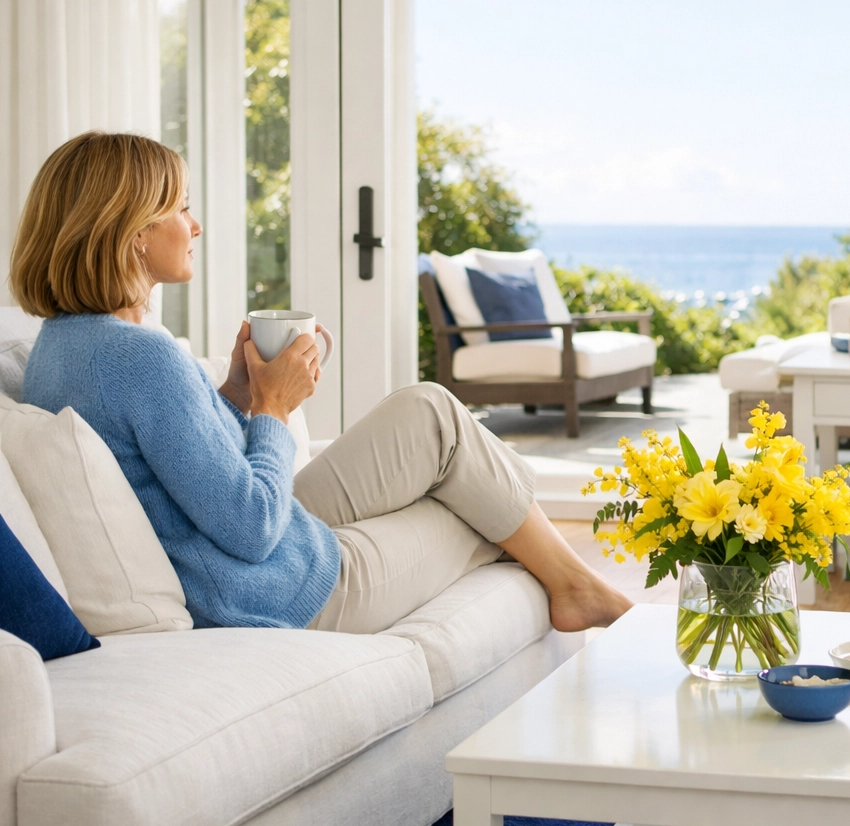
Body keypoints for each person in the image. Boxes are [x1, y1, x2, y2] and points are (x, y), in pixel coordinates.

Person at [9, 131, 632, 634]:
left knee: (431, 411)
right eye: (181, 207)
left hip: (250, 552)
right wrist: (274, 408)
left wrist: (236, 395)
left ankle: (576, 582)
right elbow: (251, 527)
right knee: (477, 507)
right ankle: (579, 588)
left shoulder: (66, 344)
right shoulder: (138, 356)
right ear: (133, 231)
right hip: (269, 589)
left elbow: (180, 469)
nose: (195, 226)